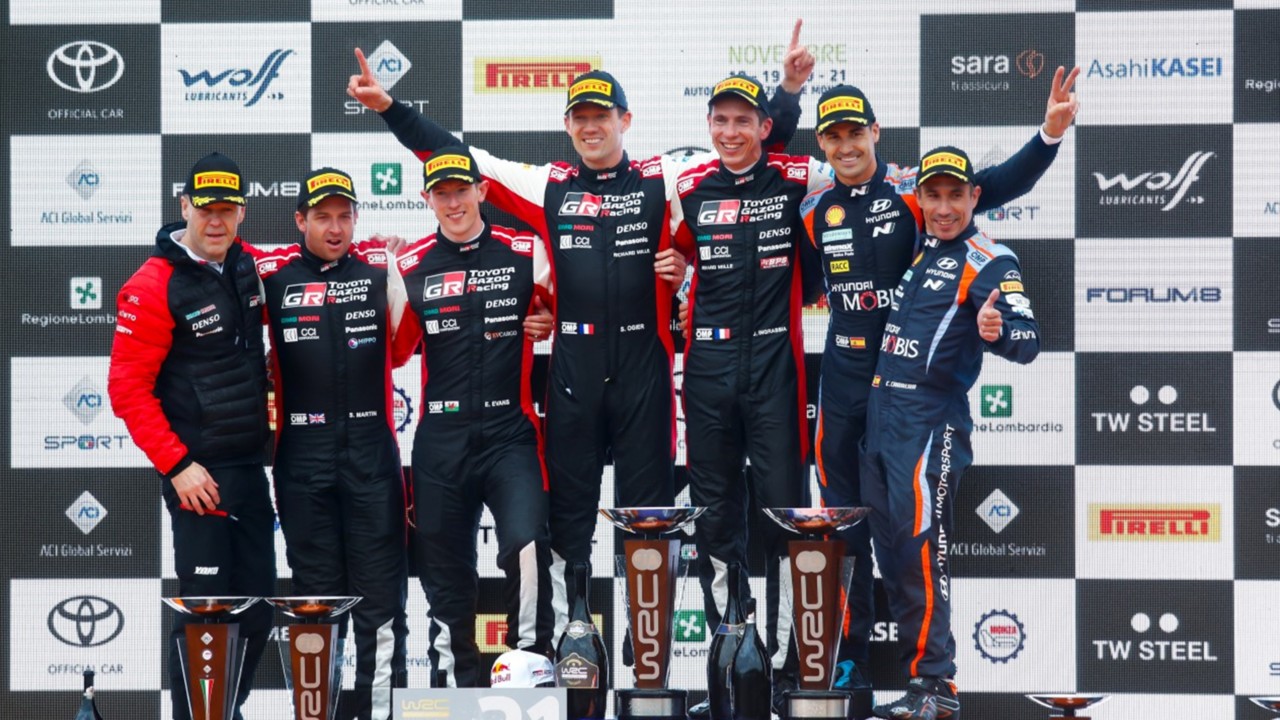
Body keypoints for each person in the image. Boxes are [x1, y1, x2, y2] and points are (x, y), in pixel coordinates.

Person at [347, 24, 812, 643]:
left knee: (648, 519)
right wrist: (390, 108)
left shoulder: (666, 177)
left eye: (601, 116)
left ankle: (648, 654)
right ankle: (574, 643)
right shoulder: (551, 185)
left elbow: (749, 149)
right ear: (568, 126)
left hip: (646, 370)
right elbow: (459, 157)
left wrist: (786, 94)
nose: (591, 127)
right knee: (568, 517)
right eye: (580, 118)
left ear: (625, 120)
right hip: (574, 374)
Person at [798, 68, 1079, 699]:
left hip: (913, 397)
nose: (846, 145)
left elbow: (994, 185)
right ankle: (843, 663)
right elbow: (792, 280)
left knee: (909, 537)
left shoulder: (912, 193)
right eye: (833, 136)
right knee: (840, 527)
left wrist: (1047, 137)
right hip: (844, 385)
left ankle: (930, 677)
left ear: (875, 133)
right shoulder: (813, 208)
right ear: (822, 143)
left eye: (855, 132)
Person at [669, 72, 837, 714]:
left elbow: (864, 183)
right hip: (707, 371)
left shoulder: (799, 177)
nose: (731, 132)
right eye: (721, 120)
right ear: (708, 126)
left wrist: (790, 91)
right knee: (715, 517)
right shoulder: (688, 187)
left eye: (744, 120)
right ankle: (730, 660)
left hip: (774, 367)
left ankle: (790, 669)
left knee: (784, 514)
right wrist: (674, 269)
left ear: (766, 128)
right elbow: (668, 253)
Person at [863, 147, 1041, 720]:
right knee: (892, 556)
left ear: (974, 197)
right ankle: (924, 682)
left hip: (930, 421)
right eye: (933, 196)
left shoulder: (992, 259)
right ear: (919, 198)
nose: (944, 208)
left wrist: (997, 330)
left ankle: (936, 682)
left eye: (956, 196)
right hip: (881, 419)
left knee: (919, 549)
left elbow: (1029, 341)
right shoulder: (921, 244)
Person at [107, 152, 274, 720]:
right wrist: (177, 466)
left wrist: (381, 250)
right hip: (197, 475)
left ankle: (221, 711)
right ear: (184, 208)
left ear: (242, 212)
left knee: (257, 612)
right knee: (206, 617)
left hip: (249, 467)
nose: (216, 221)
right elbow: (127, 389)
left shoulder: (249, 265)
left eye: (227, 210)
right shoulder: (153, 284)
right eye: (206, 210)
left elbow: (309, 266)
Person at [388, 146, 556, 687]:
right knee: (444, 569)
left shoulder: (526, 251)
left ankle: (529, 669)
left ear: (482, 191)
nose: (454, 202)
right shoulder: (409, 267)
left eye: (462, 190)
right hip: (441, 440)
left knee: (527, 544)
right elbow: (392, 351)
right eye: (442, 194)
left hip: (511, 434)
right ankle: (451, 685)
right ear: (426, 199)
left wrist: (549, 318)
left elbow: (574, 307)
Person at [250, 168, 409, 719]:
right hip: (301, 459)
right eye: (323, 217)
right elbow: (207, 256)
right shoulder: (270, 272)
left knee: (381, 601)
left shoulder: (378, 268)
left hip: (372, 456)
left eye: (345, 216)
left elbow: (405, 346)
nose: (335, 228)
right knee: (316, 601)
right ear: (300, 220)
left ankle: (381, 712)